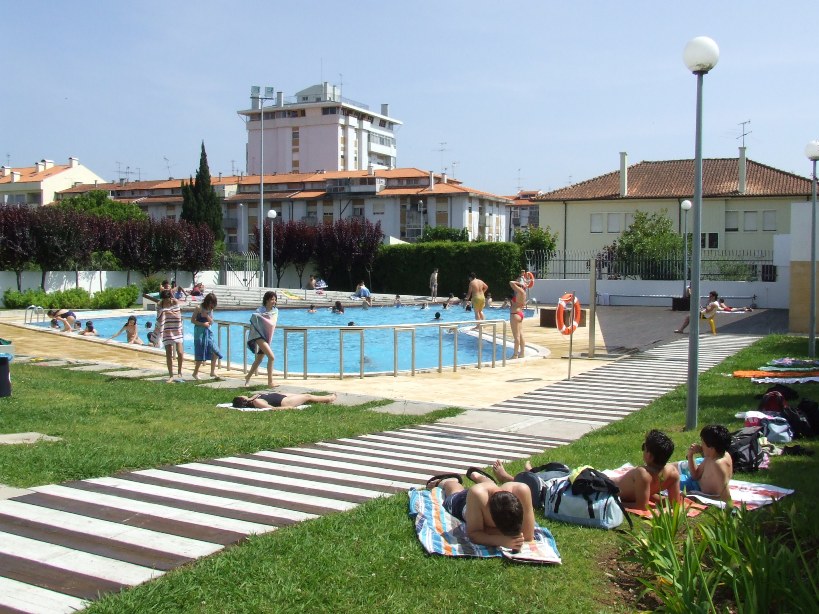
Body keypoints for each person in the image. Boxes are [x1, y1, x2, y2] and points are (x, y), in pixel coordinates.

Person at [427, 471, 535, 550]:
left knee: (491, 486)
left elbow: (528, 535)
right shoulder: (477, 494)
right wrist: (501, 540)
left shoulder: (522, 490)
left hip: (491, 490)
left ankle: (477, 476)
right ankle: (448, 481)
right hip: (464, 501)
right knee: (454, 493)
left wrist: (488, 531)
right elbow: (474, 534)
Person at [610, 430, 682, 510]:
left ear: (649, 455)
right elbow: (675, 503)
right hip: (618, 485)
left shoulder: (643, 473)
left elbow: (642, 507)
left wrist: (617, 503)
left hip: (609, 488)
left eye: (644, 447)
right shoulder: (673, 472)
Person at [685, 424, 733, 503]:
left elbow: (725, 498)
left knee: (669, 481)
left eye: (703, 443)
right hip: (694, 483)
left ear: (711, 448)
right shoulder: (713, 457)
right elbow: (695, 475)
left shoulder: (718, 464)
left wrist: (696, 495)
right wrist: (690, 456)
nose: (701, 445)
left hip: (697, 488)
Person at [245, 291, 278, 387]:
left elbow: (272, 323)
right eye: (272, 299)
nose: (274, 301)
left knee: (259, 359)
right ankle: (270, 382)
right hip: (258, 336)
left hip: (267, 336)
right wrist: (262, 317)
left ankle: (247, 377)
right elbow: (254, 318)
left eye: (275, 299)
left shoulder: (275, 311)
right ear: (267, 299)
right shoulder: (260, 310)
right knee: (271, 357)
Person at [191, 293, 222, 380]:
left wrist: (206, 316)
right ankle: (195, 373)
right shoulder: (198, 308)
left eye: (213, 304)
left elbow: (212, 322)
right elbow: (192, 320)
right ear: (207, 301)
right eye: (211, 303)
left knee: (216, 351)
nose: (212, 305)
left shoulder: (210, 310)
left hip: (208, 333)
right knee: (200, 353)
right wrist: (202, 323)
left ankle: (212, 371)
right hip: (199, 333)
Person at [156, 289, 185, 383]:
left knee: (180, 352)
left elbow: (178, 315)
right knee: (168, 353)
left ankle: (179, 371)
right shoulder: (160, 305)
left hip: (176, 329)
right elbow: (159, 317)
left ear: (170, 297)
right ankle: (171, 375)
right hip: (166, 330)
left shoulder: (174, 302)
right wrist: (165, 311)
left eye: (167, 299)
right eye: (164, 299)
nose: (166, 301)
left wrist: (166, 311)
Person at [232, 392, 337, 410]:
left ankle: (321, 399)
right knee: (307, 396)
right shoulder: (256, 402)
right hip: (285, 402)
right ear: (242, 399)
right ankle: (329, 398)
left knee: (302, 396)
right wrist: (288, 408)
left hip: (282, 396)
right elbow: (272, 409)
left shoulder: (253, 397)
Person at [509, 279, 527, 359]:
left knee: (516, 336)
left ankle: (515, 355)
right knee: (520, 334)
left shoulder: (520, 291)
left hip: (515, 314)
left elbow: (511, 282)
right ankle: (522, 352)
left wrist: (519, 283)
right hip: (520, 314)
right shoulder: (523, 293)